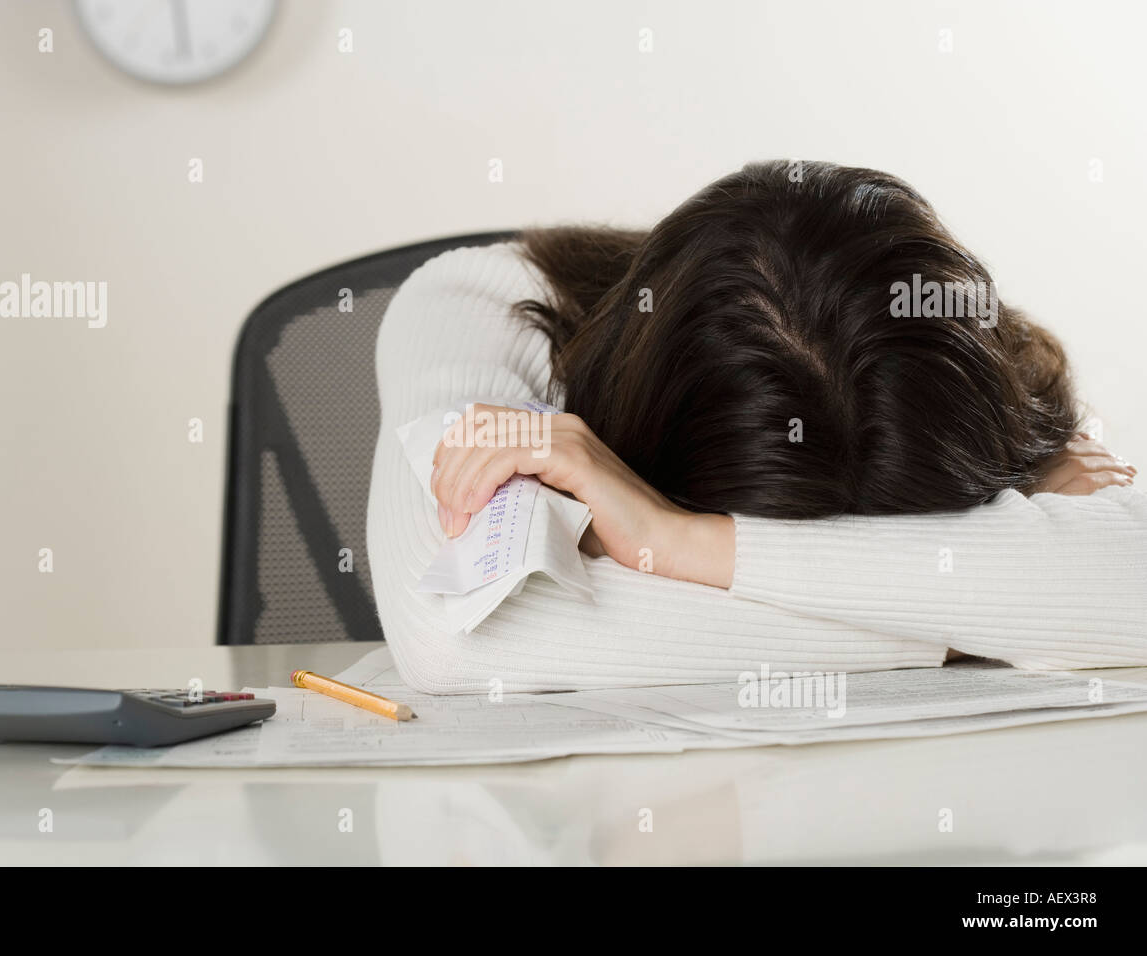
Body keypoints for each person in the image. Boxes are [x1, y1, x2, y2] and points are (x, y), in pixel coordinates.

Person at [367, 161, 1145, 693]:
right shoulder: (479, 301)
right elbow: (460, 636)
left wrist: (675, 543)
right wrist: (978, 628)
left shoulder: (942, 369)